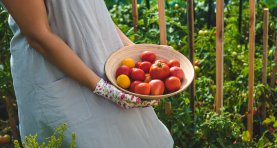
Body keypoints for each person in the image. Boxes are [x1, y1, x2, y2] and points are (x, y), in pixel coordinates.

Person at [0, 0, 174, 147]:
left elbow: (92, 11)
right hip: (57, 76)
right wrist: (103, 89)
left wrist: (138, 54)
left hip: (105, 70)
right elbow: (39, 35)